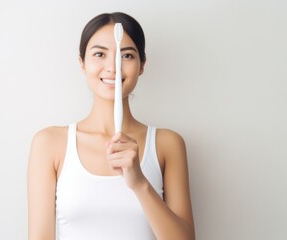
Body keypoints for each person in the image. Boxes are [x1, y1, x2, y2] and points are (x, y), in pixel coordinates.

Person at [27, 12, 195, 240]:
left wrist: (140, 183)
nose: (112, 67)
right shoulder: (49, 143)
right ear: (82, 63)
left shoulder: (167, 144)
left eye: (126, 56)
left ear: (142, 65)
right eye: (99, 54)